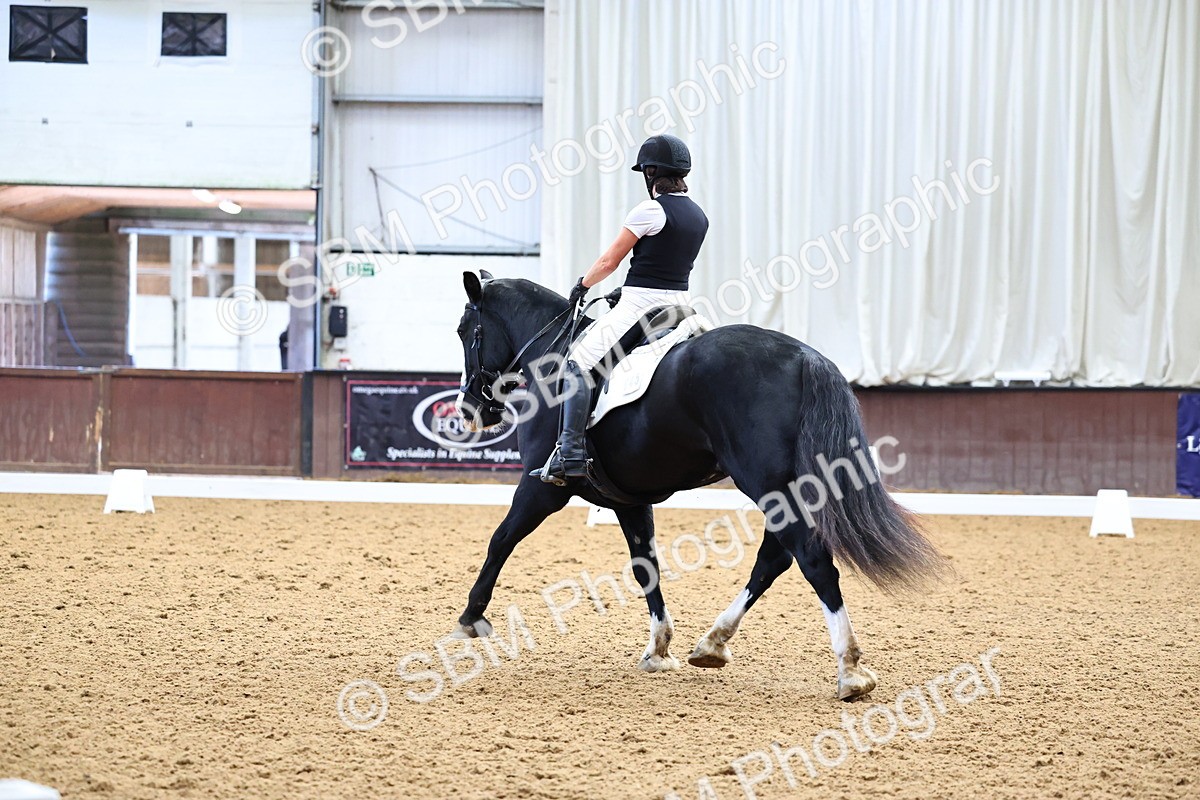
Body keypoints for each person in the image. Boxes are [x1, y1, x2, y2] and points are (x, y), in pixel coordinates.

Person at [535, 133, 709, 484]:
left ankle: (569, 454)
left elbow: (610, 260)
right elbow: (665, 266)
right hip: (681, 305)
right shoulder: (698, 215)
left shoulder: (649, 210)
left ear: (650, 173)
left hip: (641, 306)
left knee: (578, 361)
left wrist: (583, 284)